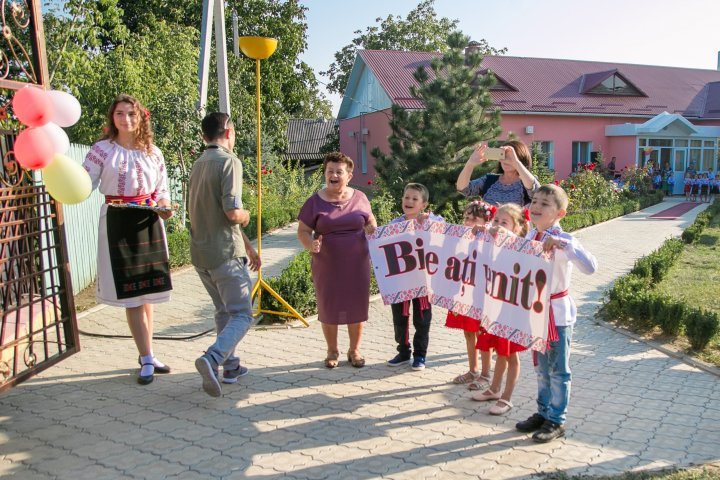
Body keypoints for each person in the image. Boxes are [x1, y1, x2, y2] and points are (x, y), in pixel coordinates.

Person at [82, 94, 174, 385]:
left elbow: (162, 187)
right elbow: (84, 182)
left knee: (146, 294)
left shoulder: (152, 151)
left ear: (140, 118)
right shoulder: (102, 150)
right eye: (120, 114)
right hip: (118, 221)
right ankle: (146, 357)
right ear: (112, 117)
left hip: (148, 220)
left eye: (132, 114)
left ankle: (148, 352)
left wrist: (166, 205)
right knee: (133, 295)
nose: (126, 119)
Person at [515, 184, 597, 443]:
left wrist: (562, 244)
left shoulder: (566, 240)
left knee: (559, 370)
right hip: (535, 313)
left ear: (560, 213)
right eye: (535, 201)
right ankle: (542, 412)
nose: (536, 207)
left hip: (557, 315)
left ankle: (557, 420)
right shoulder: (530, 238)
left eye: (544, 204)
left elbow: (590, 268)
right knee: (540, 367)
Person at [190, 112, 261, 397]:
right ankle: (213, 358)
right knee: (243, 314)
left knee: (223, 311)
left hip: (201, 254)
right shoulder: (229, 161)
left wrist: (246, 245)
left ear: (204, 136)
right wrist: (245, 216)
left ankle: (230, 366)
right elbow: (231, 212)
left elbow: (211, 215)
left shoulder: (197, 165)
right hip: (224, 254)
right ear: (229, 132)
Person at [298, 152, 377, 368]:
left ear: (349, 176)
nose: (333, 175)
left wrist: (371, 227)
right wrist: (309, 244)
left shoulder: (360, 197)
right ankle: (332, 350)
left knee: (356, 305)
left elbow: (370, 220)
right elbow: (303, 231)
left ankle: (355, 350)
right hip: (327, 265)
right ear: (324, 173)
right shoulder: (314, 202)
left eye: (338, 171)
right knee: (328, 306)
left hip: (357, 263)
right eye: (329, 171)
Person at [472, 203, 530, 415]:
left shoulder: (521, 246)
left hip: (513, 310)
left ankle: (506, 398)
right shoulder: (491, 244)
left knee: (510, 354)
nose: (497, 225)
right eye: (496, 221)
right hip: (495, 308)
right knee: (498, 350)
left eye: (504, 222)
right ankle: (494, 389)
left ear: (517, 228)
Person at [384, 183, 443, 371]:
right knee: (399, 318)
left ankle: (420, 356)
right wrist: (371, 233)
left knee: (422, 319)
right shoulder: (394, 225)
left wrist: (428, 222)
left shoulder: (431, 221)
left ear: (424, 204)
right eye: (406, 197)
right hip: (399, 282)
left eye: (414, 199)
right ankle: (403, 351)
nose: (409, 201)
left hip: (423, 283)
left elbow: (443, 232)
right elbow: (381, 244)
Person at [446, 200, 497, 389]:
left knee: (482, 332)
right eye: (466, 217)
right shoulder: (461, 235)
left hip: (483, 293)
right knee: (468, 331)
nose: (468, 222)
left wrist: (485, 231)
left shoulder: (490, 235)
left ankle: (485, 374)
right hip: (464, 290)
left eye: (473, 218)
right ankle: (473, 369)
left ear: (486, 220)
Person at [456, 140, 540, 206]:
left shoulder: (527, 181)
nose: (505, 160)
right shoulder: (489, 180)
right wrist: (470, 164)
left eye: (510, 156)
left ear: (521, 158)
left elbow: (536, 191)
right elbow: (462, 189)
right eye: (503, 155)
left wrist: (516, 162)